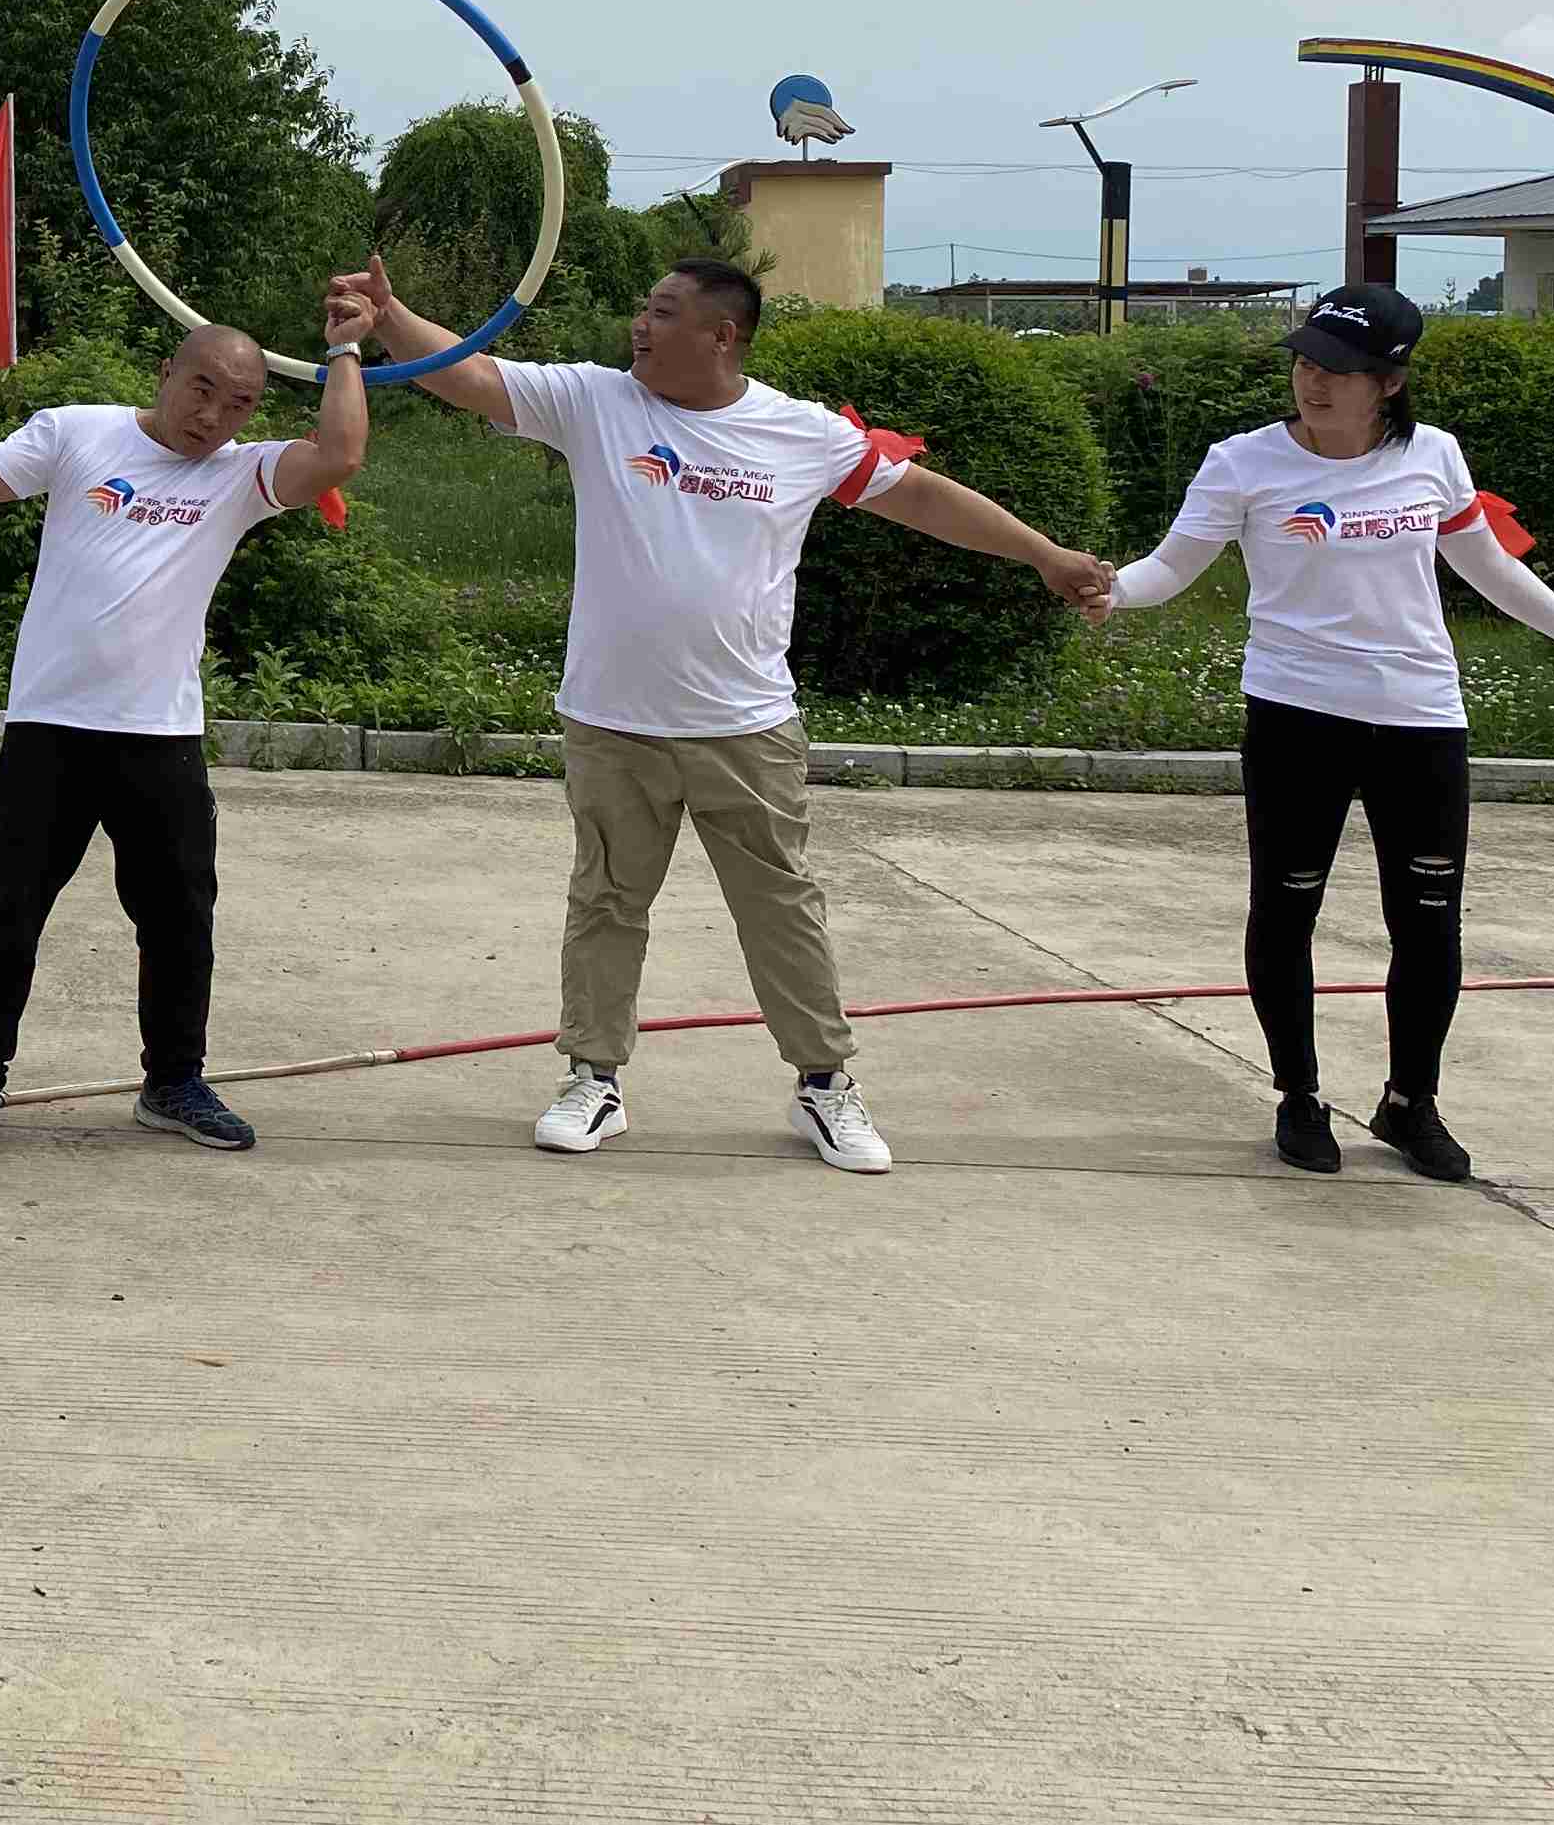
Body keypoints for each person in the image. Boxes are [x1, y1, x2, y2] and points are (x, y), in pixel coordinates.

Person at [337, 253, 1114, 1174]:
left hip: (746, 726)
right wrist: (390, 317)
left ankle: (824, 1085)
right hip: (613, 720)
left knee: (781, 908)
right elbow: (470, 375)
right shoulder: (597, 401)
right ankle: (593, 1078)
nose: (640, 323)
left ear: (721, 335)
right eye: (644, 306)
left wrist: (1043, 555)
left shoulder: (801, 432)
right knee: (606, 902)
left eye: (664, 312)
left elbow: (923, 498)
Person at [1091, 280, 1554, 1181]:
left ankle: (1409, 1103)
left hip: (1420, 716)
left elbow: (1489, 568)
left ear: (1388, 382)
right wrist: (1106, 588)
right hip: (1295, 714)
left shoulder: (1433, 456)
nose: (1314, 382)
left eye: (1340, 370)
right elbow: (1170, 568)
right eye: (1306, 362)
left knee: (1428, 923)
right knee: (1287, 910)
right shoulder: (1242, 463)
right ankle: (1299, 1096)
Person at [0, 307, 373, 1161]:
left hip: (161, 735)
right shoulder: (77, 433)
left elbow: (340, 454)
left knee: (179, 919)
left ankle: (174, 1083)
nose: (212, 415)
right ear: (166, 373)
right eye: (201, 389)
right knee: (10, 913)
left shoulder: (243, 474)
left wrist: (345, 347)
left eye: (238, 404)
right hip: (50, 726)